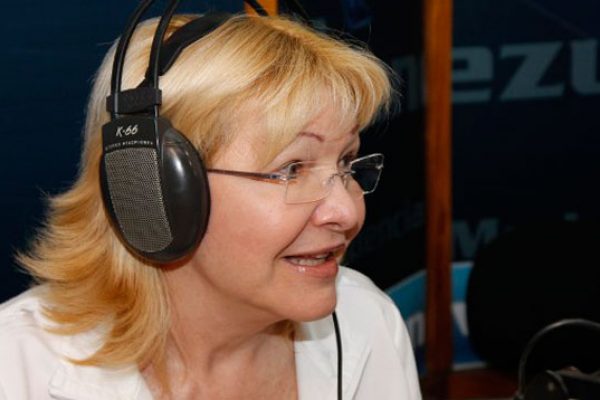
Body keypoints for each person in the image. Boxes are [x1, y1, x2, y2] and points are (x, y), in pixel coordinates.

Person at [0, 9, 421, 400]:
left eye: (346, 162)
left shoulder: (367, 320)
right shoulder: (15, 370)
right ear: (154, 187)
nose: (347, 212)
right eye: (291, 169)